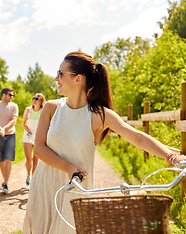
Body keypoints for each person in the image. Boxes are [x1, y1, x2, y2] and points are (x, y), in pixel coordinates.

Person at [22, 51, 186, 234]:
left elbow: (137, 137)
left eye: (60, 73)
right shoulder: (51, 108)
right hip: (44, 186)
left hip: (75, 190)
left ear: (78, 78)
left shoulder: (100, 115)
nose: (55, 78)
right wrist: (68, 166)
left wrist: (172, 157)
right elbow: (39, 149)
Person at [21, 93, 46, 186]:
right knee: (29, 159)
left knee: (36, 160)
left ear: (40, 101)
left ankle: (34, 178)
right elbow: (23, 123)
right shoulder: (28, 110)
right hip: (28, 137)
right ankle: (28, 175)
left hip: (38, 138)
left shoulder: (43, 111)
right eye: (33, 98)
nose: (34, 100)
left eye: (36, 98)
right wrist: (28, 131)